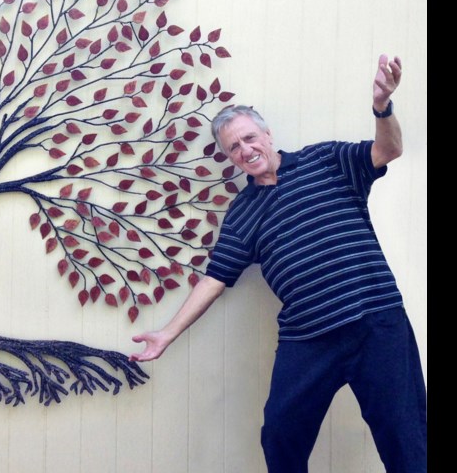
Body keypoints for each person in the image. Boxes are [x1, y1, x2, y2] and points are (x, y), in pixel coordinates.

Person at [130, 54, 426, 473]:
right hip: (308, 339)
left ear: (266, 134)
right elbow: (215, 278)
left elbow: (389, 149)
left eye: (250, 138)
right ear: (229, 157)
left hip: (376, 324)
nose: (246, 150)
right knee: (280, 438)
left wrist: (382, 104)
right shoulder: (244, 213)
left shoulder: (328, 161)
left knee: (406, 439)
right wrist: (166, 334)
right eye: (234, 147)